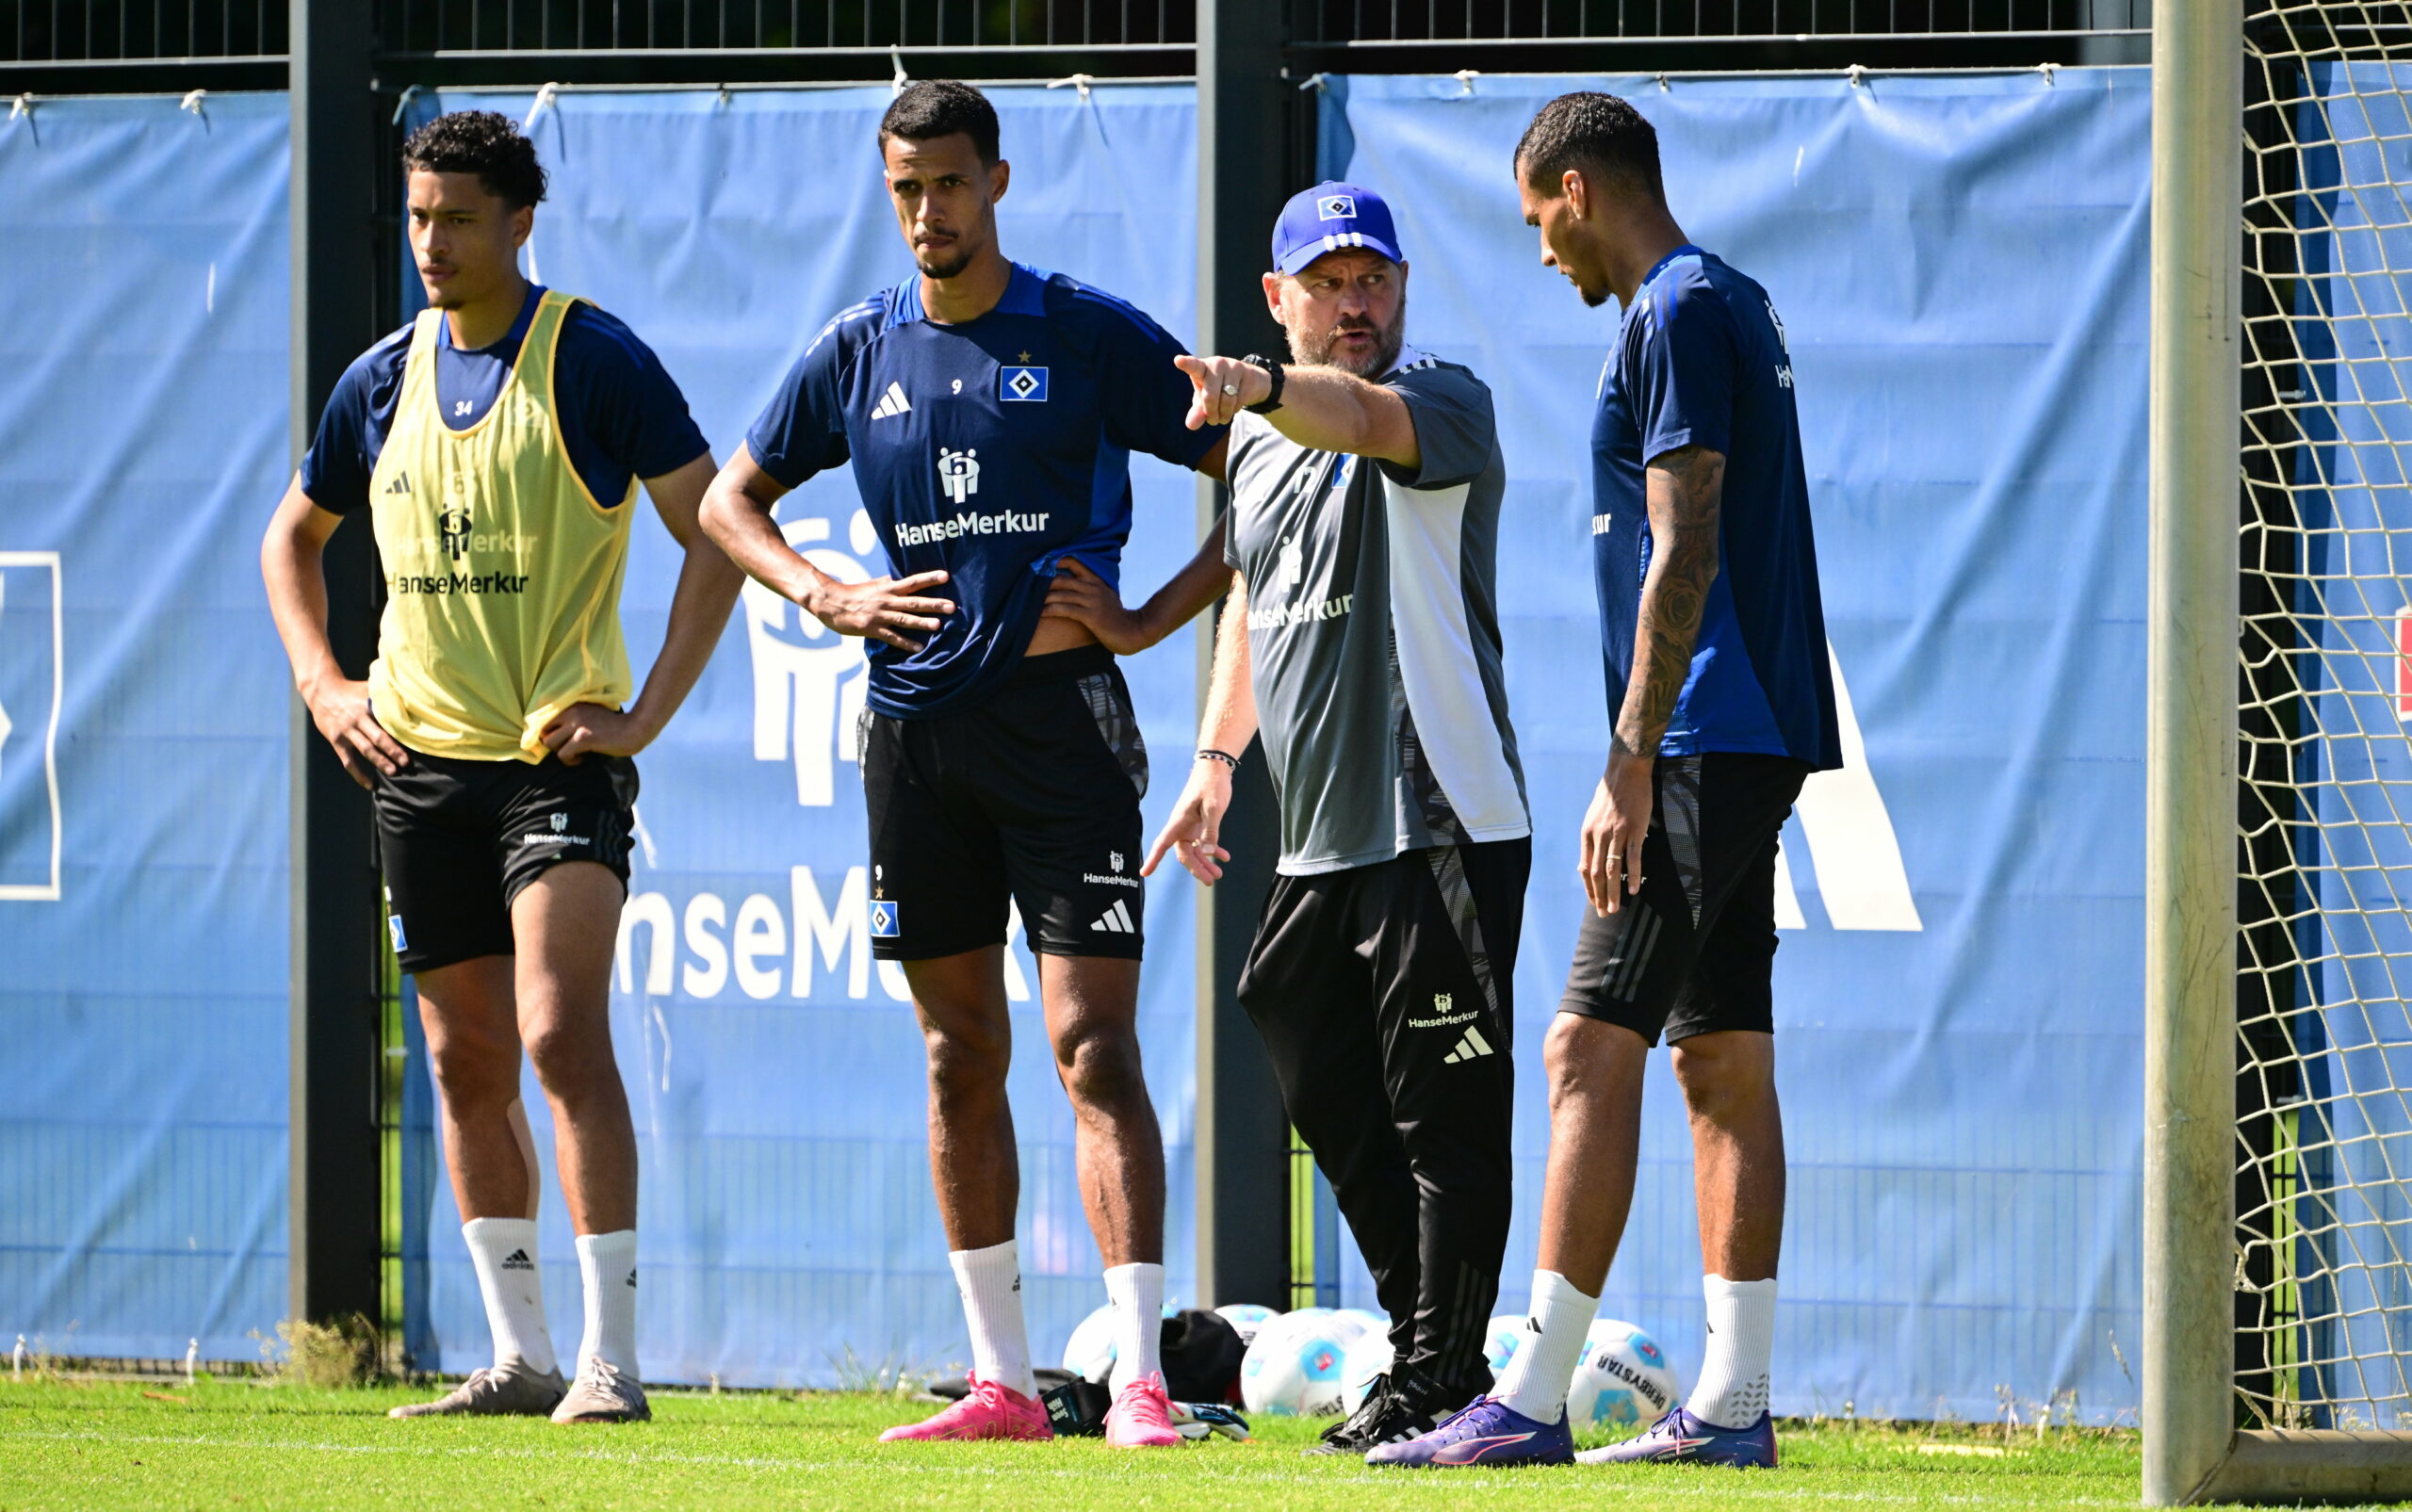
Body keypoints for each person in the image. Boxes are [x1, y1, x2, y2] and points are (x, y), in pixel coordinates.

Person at [698, 80, 1232, 1449]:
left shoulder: (1082, 332)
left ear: (998, 179)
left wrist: (1149, 615)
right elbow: (725, 502)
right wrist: (828, 595)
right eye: (905, 188)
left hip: (1064, 735)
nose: (928, 211)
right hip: (913, 739)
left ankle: (1141, 1381)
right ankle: (1000, 1379)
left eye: (949, 182)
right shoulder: (857, 349)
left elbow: (1263, 458)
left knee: (1092, 1046)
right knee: (955, 1053)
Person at [1374, 91, 1841, 1471]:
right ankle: (1736, 1406)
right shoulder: (1719, 299)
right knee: (1720, 1054)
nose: (1539, 255)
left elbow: (1682, 545)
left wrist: (1628, 758)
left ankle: (1526, 1399)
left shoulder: (1682, 306)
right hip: (1732, 736)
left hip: (1703, 736)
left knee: (1585, 1044)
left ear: (1578, 188)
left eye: (1537, 222)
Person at [259, 110, 742, 1424]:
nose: (431, 242)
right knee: (464, 1058)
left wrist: (641, 713)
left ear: (518, 222)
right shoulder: (376, 381)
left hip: (553, 762)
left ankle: (613, 1360)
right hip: (418, 762)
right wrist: (323, 683)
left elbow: (717, 532)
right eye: (417, 216)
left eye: (457, 217)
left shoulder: (590, 359)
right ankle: (522, 1354)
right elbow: (288, 543)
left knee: (554, 1031)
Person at [1128, 182, 1529, 1456]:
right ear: (1278, 294)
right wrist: (1213, 753)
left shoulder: (1441, 401)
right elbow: (1256, 586)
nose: (1358, 302)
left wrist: (1254, 387)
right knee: (1289, 1016)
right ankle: (1430, 1348)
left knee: (1443, 1116)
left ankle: (1444, 1380)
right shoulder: (1254, 444)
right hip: (1321, 835)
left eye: (1376, 278)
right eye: (1332, 280)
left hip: (1438, 818)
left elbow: (1358, 417)